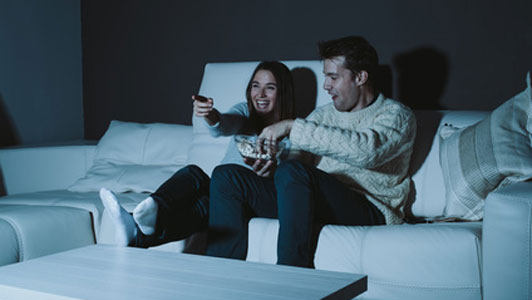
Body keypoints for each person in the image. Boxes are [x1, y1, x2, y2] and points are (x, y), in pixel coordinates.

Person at [206, 36, 417, 268]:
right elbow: (296, 159)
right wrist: (272, 166)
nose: (326, 85)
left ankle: (291, 274)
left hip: (369, 206)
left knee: (292, 171)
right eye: (325, 76)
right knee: (227, 176)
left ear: (360, 77)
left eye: (333, 77)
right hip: (315, 199)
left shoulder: (397, 115)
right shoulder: (322, 115)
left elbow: (367, 150)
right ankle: (222, 271)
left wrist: (291, 126)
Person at [99, 61, 295, 248]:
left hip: (250, 196)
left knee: (205, 205)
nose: (260, 94)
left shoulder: (293, 133)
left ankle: (138, 228)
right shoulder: (245, 113)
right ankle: (152, 209)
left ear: (283, 92)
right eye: (255, 86)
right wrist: (209, 114)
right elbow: (225, 123)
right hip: (221, 191)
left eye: (270, 87)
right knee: (194, 176)